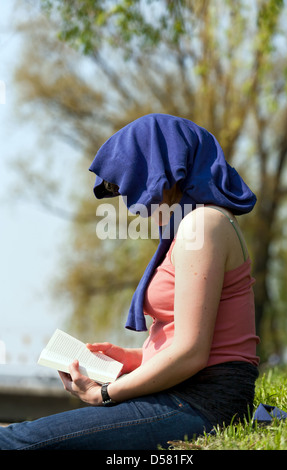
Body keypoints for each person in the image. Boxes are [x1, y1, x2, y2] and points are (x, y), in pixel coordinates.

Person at [0, 114, 260, 450]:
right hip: (185, 396)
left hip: (201, 404)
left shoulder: (203, 225)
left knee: (12, 442)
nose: (131, 204)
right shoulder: (192, 226)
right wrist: (130, 358)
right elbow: (193, 344)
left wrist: (104, 393)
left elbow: (192, 354)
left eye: (134, 185)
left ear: (163, 169)